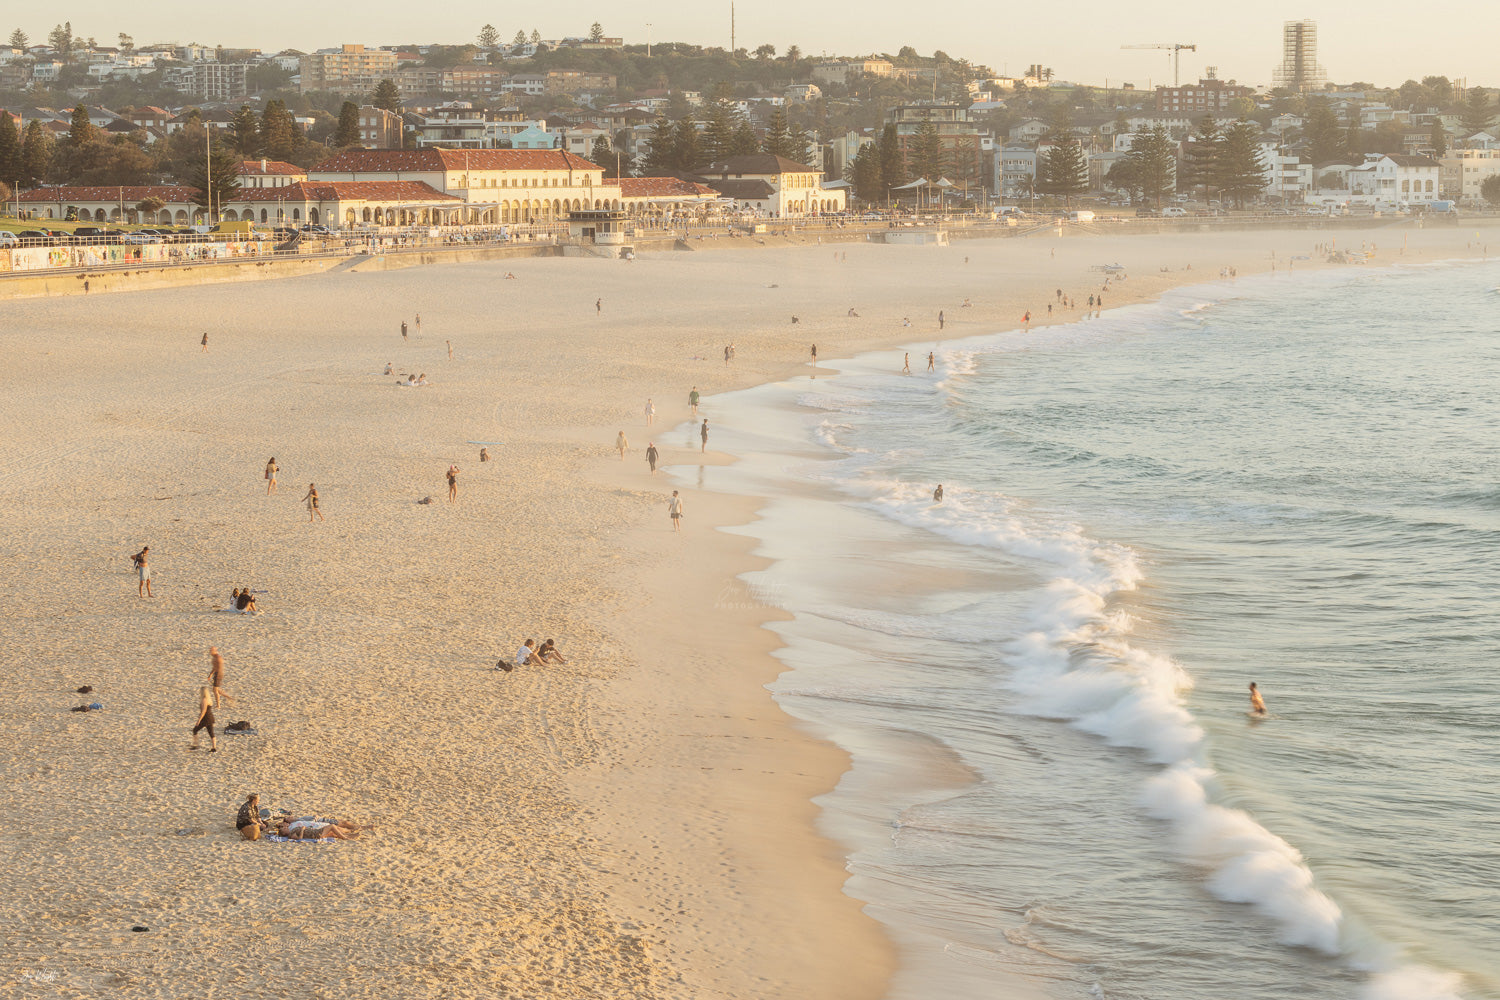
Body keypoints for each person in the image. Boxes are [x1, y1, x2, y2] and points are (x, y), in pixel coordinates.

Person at [191, 686, 217, 752]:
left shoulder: (204, 700)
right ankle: (214, 748)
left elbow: (203, 711)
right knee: (211, 733)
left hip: (206, 718)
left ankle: (195, 745)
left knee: (195, 730)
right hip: (210, 717)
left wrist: (199, 720)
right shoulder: (209, 699)